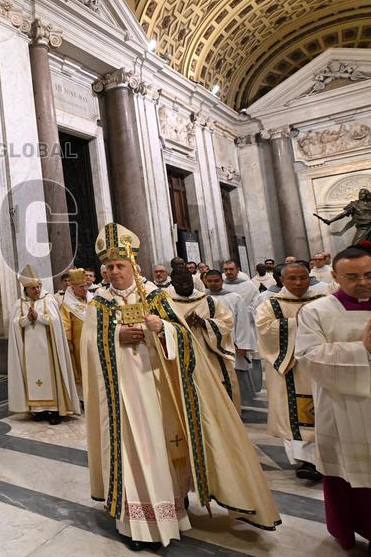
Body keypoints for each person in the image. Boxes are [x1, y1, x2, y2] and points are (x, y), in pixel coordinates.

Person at [81, 223, 279, 550]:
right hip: (121, 400)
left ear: (134, 267)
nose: (114, 272)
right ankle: (134, 523)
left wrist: (162, 329)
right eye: (109, 267)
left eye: (120, 266)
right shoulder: (98, 303)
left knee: (160, 451)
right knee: (132, 455)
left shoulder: (157, 296)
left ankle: (168, 516)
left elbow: (184, 337)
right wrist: (116, 337)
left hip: (158, 392)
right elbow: (90, 347)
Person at [295, 246, 371, 557]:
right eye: (352, 277)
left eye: (370, 275)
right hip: (344, 410)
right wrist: (360, 350)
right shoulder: (317, 312)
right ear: (335, 276)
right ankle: (370, 535)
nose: (364, 282)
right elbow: (308, 356)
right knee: (355, 475)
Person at [254, 261, 325, 481]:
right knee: (292, 412)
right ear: (281, 280)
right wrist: (299, 322)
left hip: (320, 365)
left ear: (309, 277)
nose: (298, 282)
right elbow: (265, 330)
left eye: (302, 277)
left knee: (324, 411)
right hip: (289, 367)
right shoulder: (270, 304)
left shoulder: (323, 300)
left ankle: (325, 457)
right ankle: (305, 461)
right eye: (292, 279)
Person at [8, 265, 80, 425]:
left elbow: (56, 321)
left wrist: (38, 316)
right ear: (25, 289)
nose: (37, 290)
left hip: (49, 348)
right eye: (33, 288)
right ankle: (38, 410)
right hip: (29, 350)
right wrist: (27, 318)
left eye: (38, 286)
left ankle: (54, 410)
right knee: (32, 377)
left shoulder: (48, 299)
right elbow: (15, 325)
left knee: (51, 376)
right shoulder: (19, 304)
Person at [165, 267, 240, 410]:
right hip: (180, 357)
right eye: (180, 284)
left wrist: (204, 323)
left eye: (188, 283)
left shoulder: (209, 301)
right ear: (173, 284)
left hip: (210, 354)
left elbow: (227, 323)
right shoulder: (166, 303)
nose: (186, 286)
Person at [204, 269, 257, 405]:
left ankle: (239, 404)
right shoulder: (202, 298)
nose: (213, 284)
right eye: (210, 281)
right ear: (205, 282)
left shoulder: (234, 298)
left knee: (235, 376)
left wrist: (243, 345)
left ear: (222, 282)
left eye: (216, 281)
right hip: (210, 346)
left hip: (233, 343)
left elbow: (243, 322)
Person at [58, 268, 89, 391]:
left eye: (86, 286)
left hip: (95, 341)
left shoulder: (93, 300)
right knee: (81, 368)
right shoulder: (67, 305)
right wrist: (68, 341)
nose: (85, 289)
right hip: (78, 344)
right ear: (73, 288)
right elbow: (64, 324)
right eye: (81, 287)